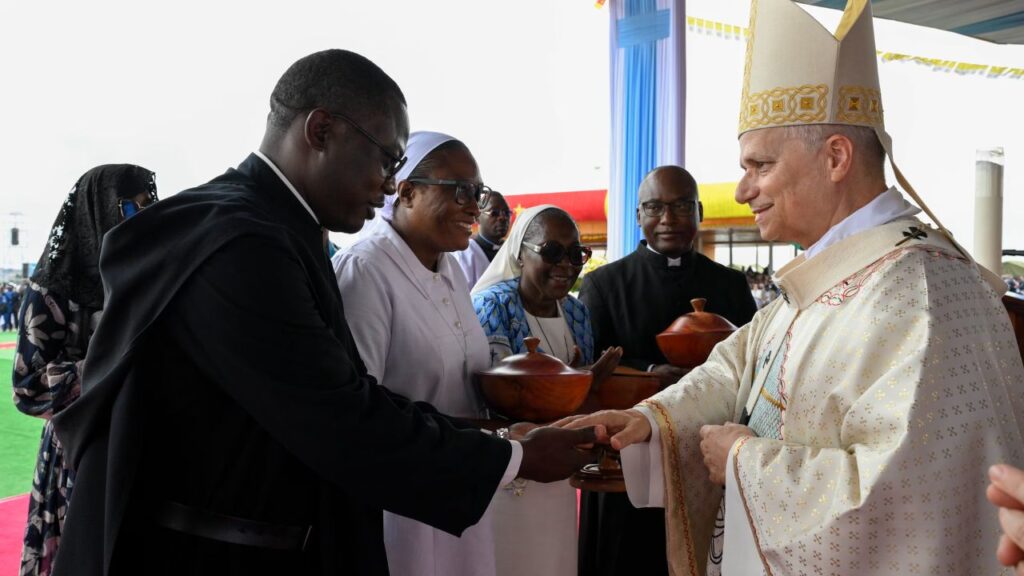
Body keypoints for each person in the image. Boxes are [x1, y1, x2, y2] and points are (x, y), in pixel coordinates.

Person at [49, 50, 600, 576]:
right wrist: (514, 459)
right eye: (387, 159)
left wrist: (498, 441)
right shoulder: (242, 242)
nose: (388, 184)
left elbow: (348, 389)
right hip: (210, 555)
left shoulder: (278, 227)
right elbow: (340, 418)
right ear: (321, 131)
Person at [560, 1, 1024, 574]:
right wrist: (649, 419)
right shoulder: (833, 269)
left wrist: (744, 461)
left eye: (760, 165)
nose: (744, 187)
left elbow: (903, 505)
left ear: (835, 157)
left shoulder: (919, 294)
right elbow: (737, 365)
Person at [333, 130, 502, 576]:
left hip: (461, 481)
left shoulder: (451, 272)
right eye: (461, 191)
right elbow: (353, 407)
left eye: (478, 193)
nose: (475, 206)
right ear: (406, 192)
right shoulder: (365, 271)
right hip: (399, 502)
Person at [576, 165, 756, 576]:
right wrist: (655, 372)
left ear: (700, 212)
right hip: (628, 455)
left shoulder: (729, 285)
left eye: (680, 207)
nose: (668, 219)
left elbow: (752, 362)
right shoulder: (605, 285)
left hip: (706, 454)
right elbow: (595, 369)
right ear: (638, 215)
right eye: (655, 207)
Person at [12, 164, 157, 576]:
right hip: (78, 454)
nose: (144, 218)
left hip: (139, 441)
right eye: (134, 208)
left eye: (151, 207)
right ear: (100, 210)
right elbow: (28, 388)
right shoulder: (53, 290)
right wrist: (111, 362)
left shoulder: (144, 278)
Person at [472, 204, 622, 576]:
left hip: (560, 463)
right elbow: (495, 398)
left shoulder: (574, 311)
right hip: (512, 461)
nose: (566, 265)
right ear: (520, 254)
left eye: (576, 254)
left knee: (554, 560)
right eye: (552, 252)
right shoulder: (492, 305)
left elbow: (580, 394)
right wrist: (584, 378)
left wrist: (586, 382)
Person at [454, 191, 510, 287]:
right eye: (494, 213)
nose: (503, 217)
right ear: (477, 217)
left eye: (506, 213)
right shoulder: (465, 253)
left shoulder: (512, 250)